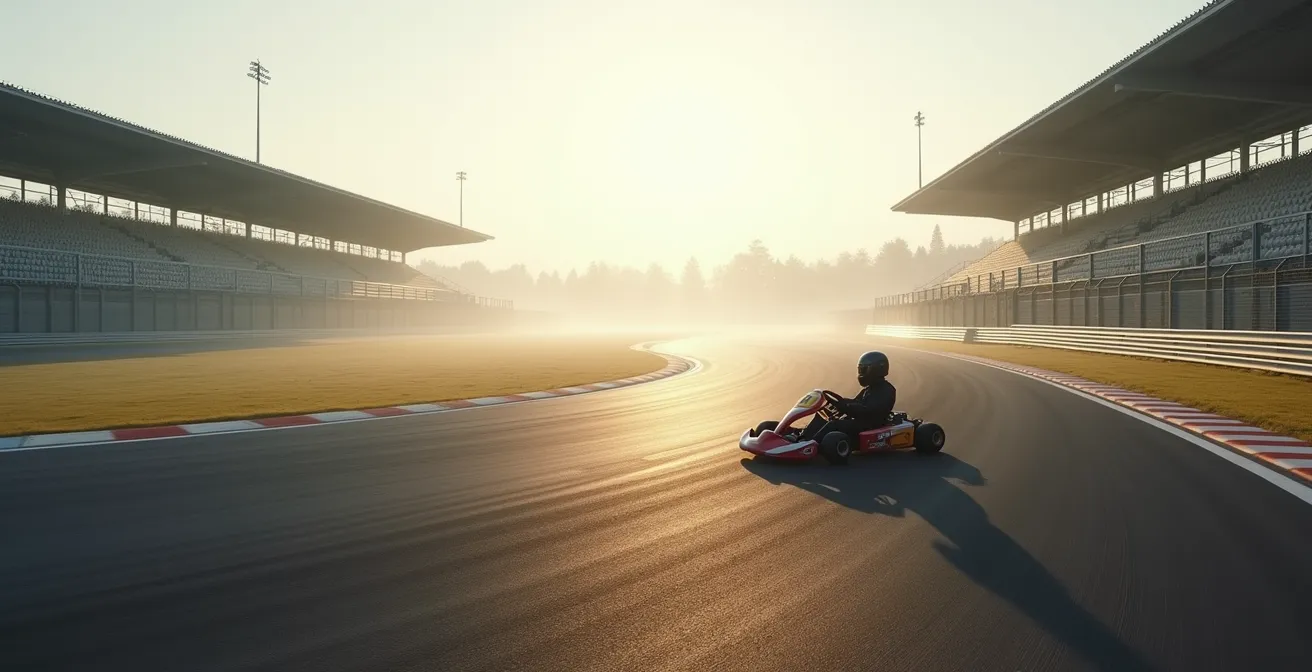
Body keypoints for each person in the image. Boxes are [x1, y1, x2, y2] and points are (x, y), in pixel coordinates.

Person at [799, 351, 897, 441]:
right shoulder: (870, 388)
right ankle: (802, 437)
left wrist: (846, 407)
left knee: (833, 425)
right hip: (861, 421)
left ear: (875, 370)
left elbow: (870, 411)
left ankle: (810, 444)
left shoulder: (886, 390)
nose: (860, 373)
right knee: (822, 415)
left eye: (863, 369)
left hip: (871, 425)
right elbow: (856, 402)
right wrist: (840, 402)